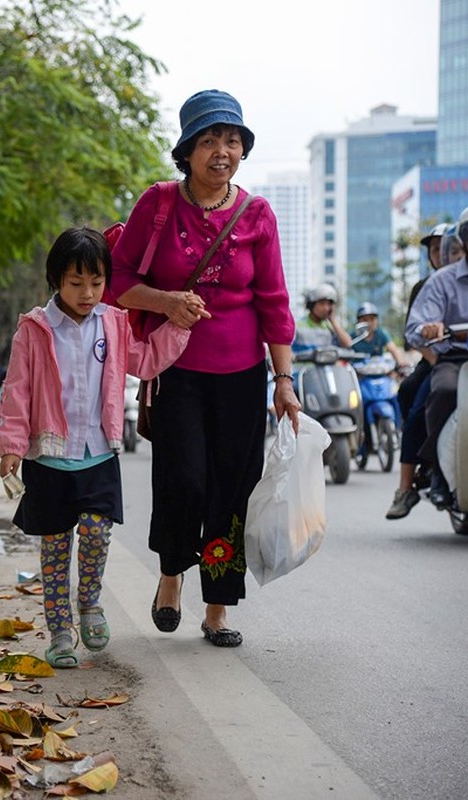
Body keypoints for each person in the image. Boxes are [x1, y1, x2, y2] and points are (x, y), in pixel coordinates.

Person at [109, 89, 300, 648]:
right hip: (176, 371)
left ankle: (217, 607)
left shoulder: (257, 213)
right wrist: (167, 301)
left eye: (232, 140)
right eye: (211, 140)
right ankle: (171, 575)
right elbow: (118, 283)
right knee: (185, 479)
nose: (222, 150)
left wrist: (283, 381)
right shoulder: (159, 203)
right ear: (188, 150)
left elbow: (275, 302)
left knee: (230, 490)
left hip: (242, 376)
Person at [0, 227, 190, 667]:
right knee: (55, 547)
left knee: (98, 533)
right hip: (48, 456)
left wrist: (178, 326)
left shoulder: (114, 323)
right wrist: (10, 444)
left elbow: (144, 361)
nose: (87, 293)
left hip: (99, 452)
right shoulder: (35, 328)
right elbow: (18, 389)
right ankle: (60, 630)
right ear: (56, 280)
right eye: (76, 282)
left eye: (97, 283)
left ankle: (90, 604)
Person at [403, 203, 468, 509]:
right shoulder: (442, 280)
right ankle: (437, 471)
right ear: (461, 237)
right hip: (457, 359)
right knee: (444, 392)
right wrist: (429, 328)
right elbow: (415, 326)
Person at [388, 223, 450, 519]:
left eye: (449, 247)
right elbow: (413, 334)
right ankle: (405, 486)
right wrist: (435, 359)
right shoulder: (425, 287)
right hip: (437, 360)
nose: (443, 254)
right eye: (436, 249)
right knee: (413, 399)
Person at [293, 283, 352, 355]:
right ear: (311, 305)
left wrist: (333, 321)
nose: (326, 308)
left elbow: (348, 344)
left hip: (327, 366)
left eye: (329, 304)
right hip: (302, 366)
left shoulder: (330, 328)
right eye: (322, 303)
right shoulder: (298, 326)